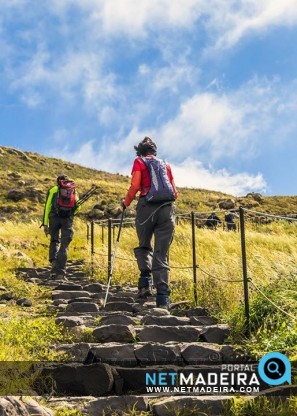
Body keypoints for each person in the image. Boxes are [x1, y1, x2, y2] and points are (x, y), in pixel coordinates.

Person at [122, 137, 178, 308]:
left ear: (140, 151)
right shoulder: (165, 164)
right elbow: (175, 192)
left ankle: (144, 283)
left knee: (144, 245)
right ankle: (163, 298)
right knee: (162, 252)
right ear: (154, 151)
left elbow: (135, 185)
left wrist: (125, 203)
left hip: (146, 207)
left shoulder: (139, 162)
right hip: (167, 209)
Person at [42, 175, 80, 279]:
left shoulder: (53, 189)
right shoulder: (73, 190)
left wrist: (45, 224)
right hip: (67, 220)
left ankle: (54, 266)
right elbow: (78, 206)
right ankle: (61, 271)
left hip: (54, 218)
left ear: (58, 181)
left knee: (54, 241)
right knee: (64, 245)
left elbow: (47, 207)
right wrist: (70, 213)